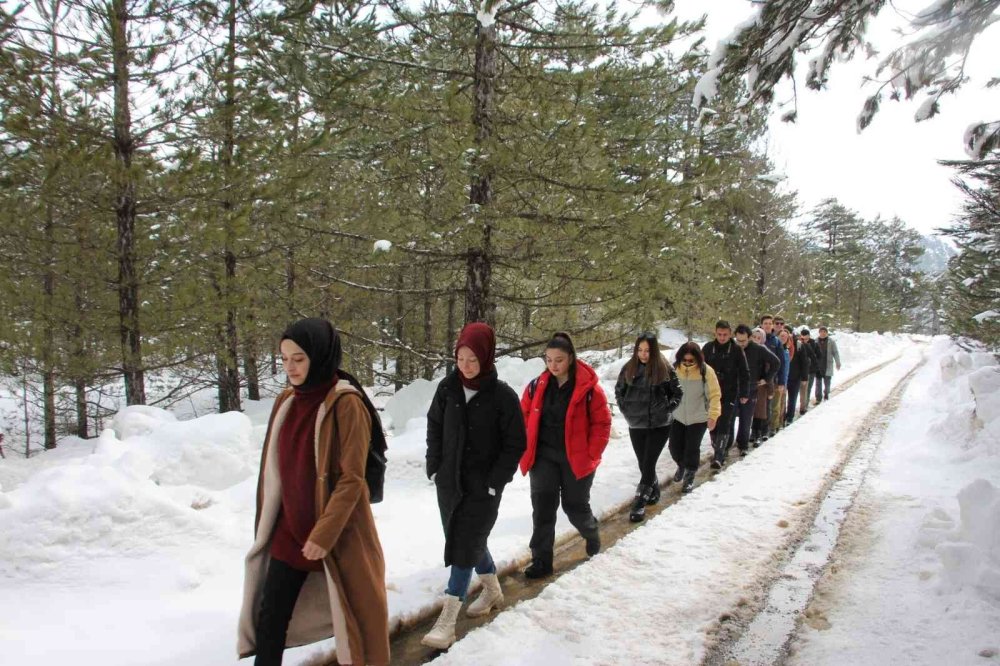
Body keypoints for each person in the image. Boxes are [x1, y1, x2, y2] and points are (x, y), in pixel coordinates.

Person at [238, 318, 390, 666]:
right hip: (290, 533)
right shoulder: (287, 401)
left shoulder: (346, 404)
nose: (290, 368)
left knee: (358, 625)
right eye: (284, 359)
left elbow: (353, 479)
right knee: (270, 620)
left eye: (299, 359)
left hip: (340, 535)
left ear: (320, 356)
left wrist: (324, 533)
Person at [422, 322, 527, 649]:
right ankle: (493, 590)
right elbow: (434, 426)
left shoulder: (502, 397)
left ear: (486, 357)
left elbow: (515, 444)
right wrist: (434, 465)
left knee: (464, 545)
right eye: (460, 359)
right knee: (464, 539)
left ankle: (448, 621)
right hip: (450, 484)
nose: (466, 366)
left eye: (473, 359)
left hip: (483, 488)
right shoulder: (447, 388)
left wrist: (495, 481)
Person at [520, 332, 612, 574]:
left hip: (577, 458)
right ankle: (541, 561)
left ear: (570, 358)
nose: (553, 365)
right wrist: (525, 445)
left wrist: (592, 453)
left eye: (558, 360)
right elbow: (524, 415)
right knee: (542, 509)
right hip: (543, 458)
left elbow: (602, 423)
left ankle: (590, 531)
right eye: (548, 360)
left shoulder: (588, 388)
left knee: (575, 508)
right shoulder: (536, 386)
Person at [614, 332, 682, 522]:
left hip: (660, 424)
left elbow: (677, 392)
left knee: (648, 462)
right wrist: (625, 408)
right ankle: (654, 492)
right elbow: (619, 390)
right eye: (640, 350)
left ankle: (639, 502)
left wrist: (667, 408)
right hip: (636, 424)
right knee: (643, 463)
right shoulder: (629, 368)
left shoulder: (664, 368)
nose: (643, 354)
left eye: (647, 351)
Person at [669, 342, 721, 493]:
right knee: (674, 447)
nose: (687, 363)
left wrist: (713, 415)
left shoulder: (706, 371)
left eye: (690, 361)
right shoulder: (674, 369)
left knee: (692, 448)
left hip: (698, 417)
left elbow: (715, 395)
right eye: (684, 360)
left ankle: (689, 476)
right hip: (677, 416)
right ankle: (681, 465)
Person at [702, 320, 749, 469]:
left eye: (725, 335)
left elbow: (744, 372)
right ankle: (720, 447)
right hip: (710, 393)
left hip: (729, 392)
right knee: (713, 424)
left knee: (724, 422)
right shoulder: (708, 348)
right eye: (719, 334)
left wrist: (744, 392)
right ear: (715, 333)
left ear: (730, 334)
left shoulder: (736, 350)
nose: (722, 337)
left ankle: (719, 456)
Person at [733, 326, 780, 455]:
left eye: (743, 341)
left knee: (746, 418)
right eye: (738, 340)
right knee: (729, 419)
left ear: (749, 338)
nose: (740, 344)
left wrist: (766, 378)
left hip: (751, 388)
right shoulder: (732, 347)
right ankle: (725, 447)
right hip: (733, 388)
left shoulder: (758, 349)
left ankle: (743, 445)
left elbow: (776, 362)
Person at [759, 314, 787, 437]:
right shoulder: (756, 338)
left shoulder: (776, 341)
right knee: (758, 406)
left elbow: (782, 363)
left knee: (771, 405)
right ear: (761, 325)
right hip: (758, 379)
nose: (768, 326)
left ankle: (769, 428)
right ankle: (756, 430)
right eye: (766, 323)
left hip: (773, 379)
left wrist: (782, 381)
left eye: (770, 323)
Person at [785, 328, 813, 424]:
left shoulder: (799, 345)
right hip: (784, 377)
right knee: (782, 400)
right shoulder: (781, 344)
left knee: (792, 398)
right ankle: (781, 417)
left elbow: (804, 362)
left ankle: (789, 416)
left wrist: (804, 377)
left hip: (795, 376)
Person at [770, 329, 792, 434]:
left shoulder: (786, 351)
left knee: (781, 403)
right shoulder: (775, 349)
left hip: (783, 380)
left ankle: (778, 423)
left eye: (785, 336)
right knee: (775, 404)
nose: (783, 338)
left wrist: (784, 381)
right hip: (775, 379)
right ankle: (774, 425)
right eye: (781, 336)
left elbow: (786, 367)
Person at [815, 326, 842, 402]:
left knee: (827, 382)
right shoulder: (815, 341)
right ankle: (818, 398)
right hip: (818, 365)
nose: (823, 333)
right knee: (818, 383)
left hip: (828, 364)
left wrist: (838, 362)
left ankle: (826, 393)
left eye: (824, 332)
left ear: (827, 333)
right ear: (819, 333)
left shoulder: (831, 341)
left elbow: (835, 352)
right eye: (821, 332)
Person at [801, 328, 823, 410]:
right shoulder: (799, 343)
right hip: (802, 370)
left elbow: (819, 355)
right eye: (803, 337)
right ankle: (803, 403)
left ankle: (805, 404)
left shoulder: (814, 343)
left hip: (811, 370)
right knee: (802, 388)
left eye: (807, 337)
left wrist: (815, 364)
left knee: (808, 387)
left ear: (809, 336)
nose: (805, 339)